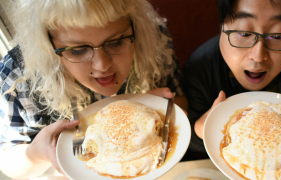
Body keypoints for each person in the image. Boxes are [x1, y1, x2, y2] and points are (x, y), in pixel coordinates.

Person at [0, 0, 187, 178]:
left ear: (136, 27)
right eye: (78, 50)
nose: (102, 65)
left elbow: (181, 101)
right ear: (48, 45)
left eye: (116, 42)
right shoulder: (18, 77)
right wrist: (36, 153)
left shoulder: (154, 39)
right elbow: (8, 163)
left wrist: (160, 108)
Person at [183, 0, 281, 160]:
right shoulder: (200, 68)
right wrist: (202, 128)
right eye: (244, 33)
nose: (258, 56)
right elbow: (190, 139)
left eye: (278, 35)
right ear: (221, 25)